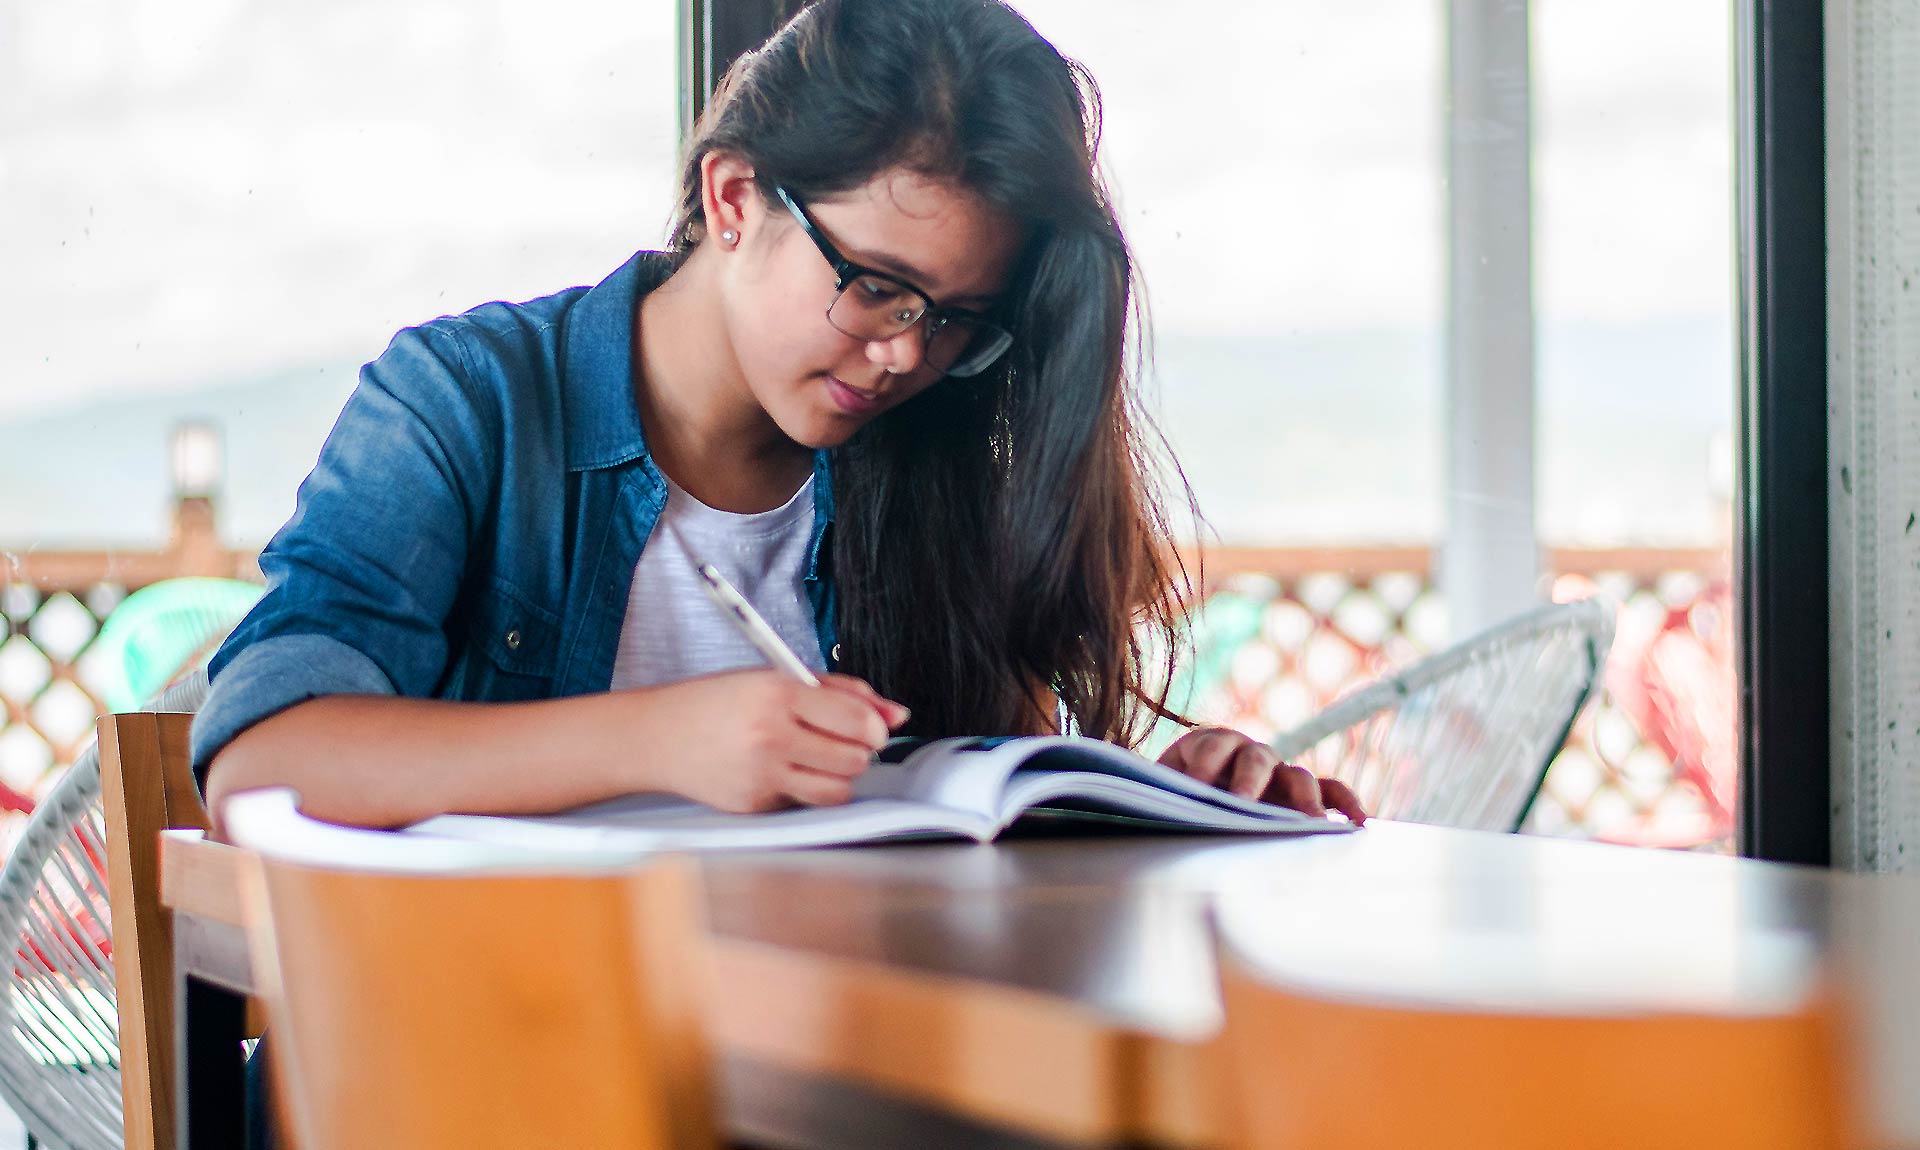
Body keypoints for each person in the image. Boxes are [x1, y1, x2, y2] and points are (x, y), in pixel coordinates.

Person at [194, 0, 1367, 834]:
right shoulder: (470, 401)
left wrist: (1161, 796)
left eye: (957, 317)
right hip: (467, 1059)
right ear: (737, 195)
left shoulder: (926, 454)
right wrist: (660, 740)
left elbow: (988, 801)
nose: (907, 351)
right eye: (877, 285)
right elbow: (260, 761)